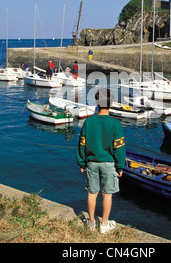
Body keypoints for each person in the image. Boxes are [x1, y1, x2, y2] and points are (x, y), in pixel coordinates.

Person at [76, 88, 126, 234]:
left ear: (97, 103)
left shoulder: (88, 122)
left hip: (91, 162)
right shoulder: (116, 124)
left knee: (92, 193)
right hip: (109, 164)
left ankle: (91, 222)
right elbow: (119, 148)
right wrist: (120, 166)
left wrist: (81, 162)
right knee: (107, 194)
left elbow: (82, 143)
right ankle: (104, 224)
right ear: (111, 103)